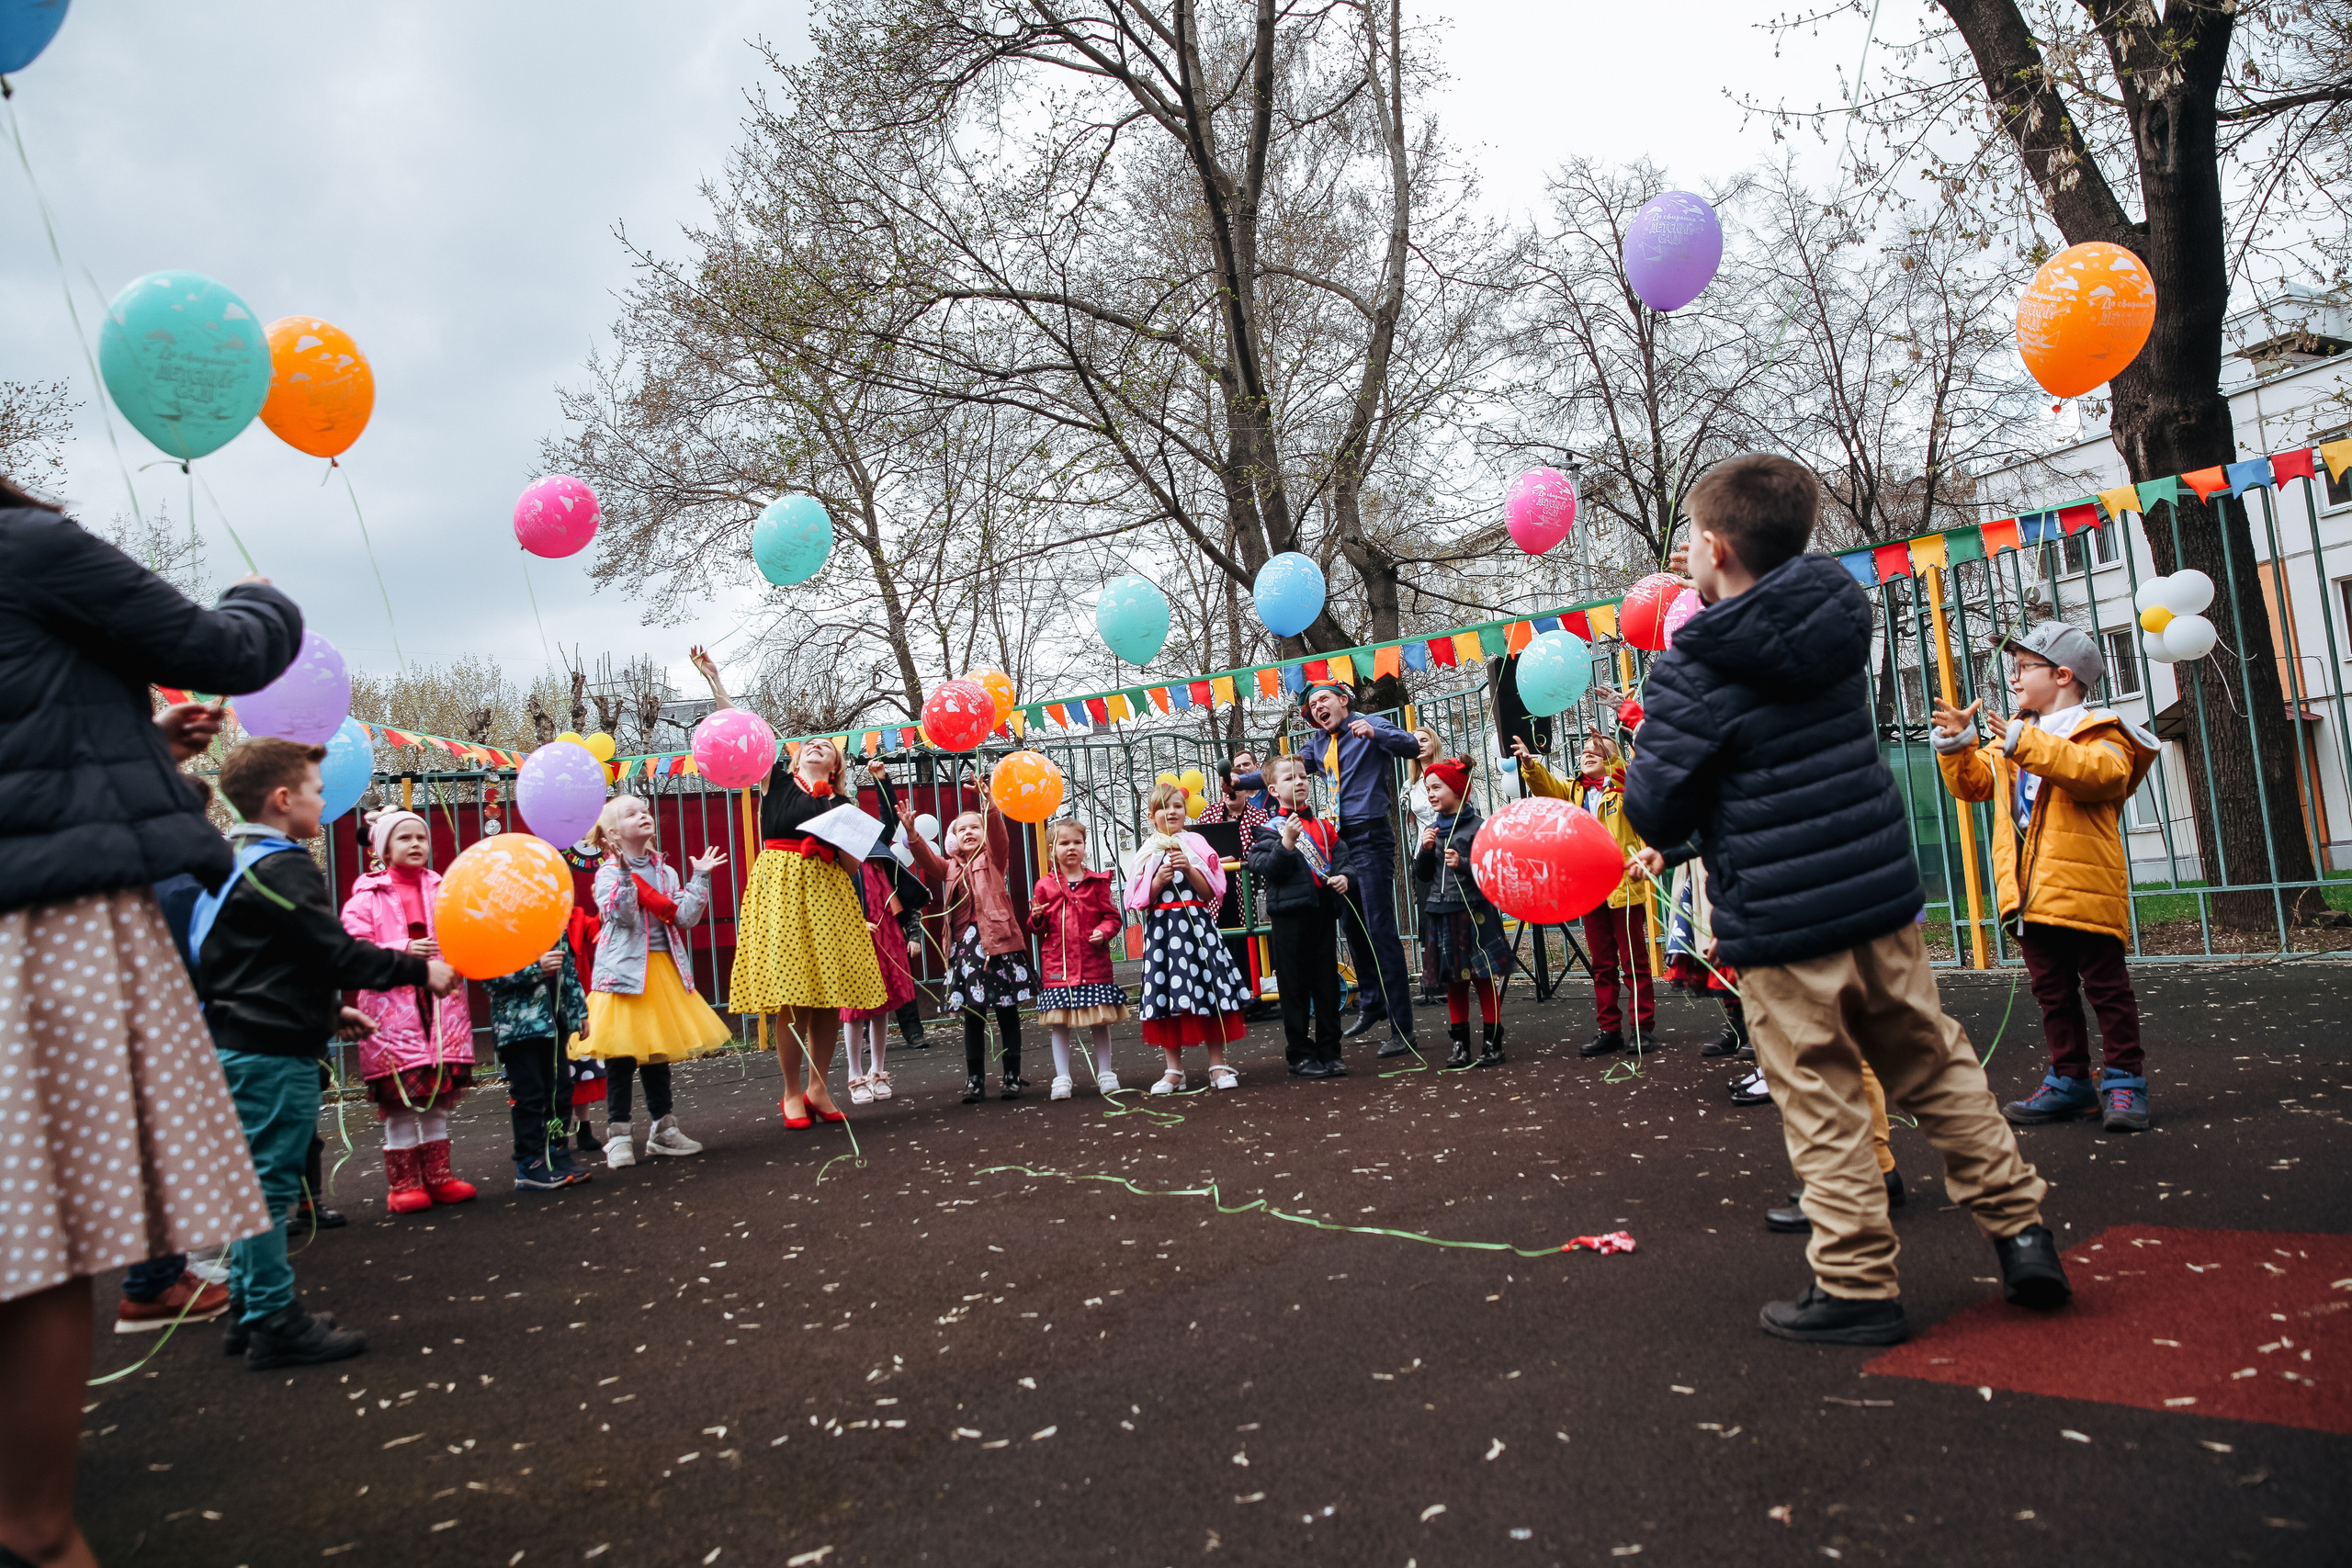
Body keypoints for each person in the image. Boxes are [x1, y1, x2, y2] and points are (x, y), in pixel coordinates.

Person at [1624, 452, 2068, 1346]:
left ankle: (1859, 1284)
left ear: (1714, 548)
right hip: (1873, 890)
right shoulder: (1833, 619)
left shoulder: (1691, 669)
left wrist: (1675, 696)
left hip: (1783, 916)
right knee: (1935, 1066)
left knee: (1820, 1093)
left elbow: (1654, 805)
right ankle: (2021, 1234)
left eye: (1687, 540)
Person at [0, 477, 302, 1567]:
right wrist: (260, 600)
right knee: (37, 1238)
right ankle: (33, 1526)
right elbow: (223, 647)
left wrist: (140, 737)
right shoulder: (26, 545)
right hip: (41, 920)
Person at [199, 738, 460, 1370]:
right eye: (317, 791)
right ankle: (271, 1318)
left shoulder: (231, 862)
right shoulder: (282, 865)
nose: (324, 800)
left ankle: (245, 1307)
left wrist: (325, 1010)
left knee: (255, 1180)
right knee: (267, 1184)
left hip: (246, 1036)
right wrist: (415, 971)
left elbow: (259, 957)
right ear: (283, 798)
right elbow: (331, 951)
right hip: (268, 1048)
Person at [1931, 623, 2158, 1134]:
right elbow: (1976, 785)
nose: (2012, 680)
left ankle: (2124, 1081)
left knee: (2106, 987)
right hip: (2029, 892)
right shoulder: (2016, 733)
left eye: (2022, 668)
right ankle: (2069, 1081)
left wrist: (2021, 742)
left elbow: (2097, 775)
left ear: (2062, 675)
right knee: (2051, 991)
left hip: (2084, 887)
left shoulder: (2103, 731)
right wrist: (1959, 745)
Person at [693, 649, 886, 1127]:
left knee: (826, 996)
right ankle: (791, 1092)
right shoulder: (775, 782)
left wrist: (847, 839)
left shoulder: (843, 801)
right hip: (779, 888)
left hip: (827, 893)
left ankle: (821, 1087)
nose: (818, 744)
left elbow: (849, 863)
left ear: (838, 765)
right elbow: (738, 732)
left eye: (828, 745)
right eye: (810, 742)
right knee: (792, 995)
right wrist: (717, 682)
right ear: (796, 755)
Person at [340, 809, 479, 1212]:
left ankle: (439, 1177)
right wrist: (401, 948)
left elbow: (464, 931)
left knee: (435, 1096)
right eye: (404, 838)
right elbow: (354, 946)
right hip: (392, 1011)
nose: (416, 844)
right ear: (383, 849)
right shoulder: (367, 895)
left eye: (421, 837)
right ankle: (403, 1184)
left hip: (439, 1006)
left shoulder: (444, 888)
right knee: (401, 1099)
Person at [579, 794, 728, 1165]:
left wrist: (700, 877)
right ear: (613, 834)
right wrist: (627, 875)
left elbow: (684, 918)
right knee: (621, 1057)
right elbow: (622, 915)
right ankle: (618, 1134)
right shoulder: (608, 872)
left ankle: (664, 1129)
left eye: (645, 811)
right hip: (624, 973)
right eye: (632, 814)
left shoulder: (667, 870)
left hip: (662, 971)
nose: (643, 816)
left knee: (657, 1053)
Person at [1299, 682, 1423, 1056]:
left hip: (1370, 837)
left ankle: (1403, 1029)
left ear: (1343, 701)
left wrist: (1375, 732)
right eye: (1312, 705)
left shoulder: (1370, 724)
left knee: (1380, 928)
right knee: (1351, 923)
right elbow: (1282, 772)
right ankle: (1373, 1003)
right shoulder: (1318, 745)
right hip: (1339, 842)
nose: (1318, 707)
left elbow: (1412, 746)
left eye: (1324, 699)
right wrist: (1242, 781)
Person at [1514, 733, 1655, 1057]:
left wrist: (1616, 753)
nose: (1588, 754)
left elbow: (1633, 778)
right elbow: (1547, 788)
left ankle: (1643, 1028)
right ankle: (1609, 1029)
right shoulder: (1574, 789)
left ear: (1610, 758)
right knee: (1602, 963)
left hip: (1623, 886)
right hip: (1590, 887)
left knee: (1633, 961)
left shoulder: (1623, 786)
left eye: (1597, 751)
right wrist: (1529, 764)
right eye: (1584, 751)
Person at [902, 784, 1036, 1103]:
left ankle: (1012, 1075)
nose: (969, 832)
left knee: (1007, 1012)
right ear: (953, 839)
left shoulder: (994, 859)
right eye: (962, 829)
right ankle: (974, 1080)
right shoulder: (949, 867)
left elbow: (1000, 838)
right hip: (965, 950)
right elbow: (925, 859)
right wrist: (911, 833)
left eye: (975, 827)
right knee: (973, 1016)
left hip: (999, 946)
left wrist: (989, 804)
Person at [1126, 781, 1255, 1094]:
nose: (1172, 812)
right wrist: (1157, 880)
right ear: (1151, 815)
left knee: (1208, 990)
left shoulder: (1196, 842)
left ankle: (1217, 1063)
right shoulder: (1147, 851)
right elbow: (1137, 899)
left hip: (1196, 927)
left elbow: (1211, 889)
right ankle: (1174, 1070)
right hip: (1163, 931)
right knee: (1167, 994)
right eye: (1164, 808)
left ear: (1185, 812)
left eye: (1177, 807)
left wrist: (1191, 868)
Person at [1247, 755, 1353, 1078]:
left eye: (1304, 776)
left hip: (1321, 910)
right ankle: (1299, 1054)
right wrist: (1287, 843)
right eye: (1291, 778)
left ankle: (1330, 1051)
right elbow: (1266, 870)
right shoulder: (1266, 830)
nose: (1301, 782)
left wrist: (1345, 876)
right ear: (1273, 789)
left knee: (1326, 984)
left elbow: (1343, 858)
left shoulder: (1322, 825)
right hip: (1289, 916)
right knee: (1293, 986)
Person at [1414, 755, 1514, 1068]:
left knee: (1483, 978)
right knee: (1453, 981)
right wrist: (1426, 851)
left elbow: (1493, 872)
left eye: (1436, 787)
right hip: (1441, 912)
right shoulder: (1431, 829)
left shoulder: (1478, 827)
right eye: (1427, 788)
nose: (1430, 794)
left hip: (1473, 913)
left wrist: (1466, 864)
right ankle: (1460, 1046)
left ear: (1458, 790)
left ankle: (1492, 1043)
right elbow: (1424, 875)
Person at [1027, 818, 1129, 1099]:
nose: (1071, 848)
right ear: (1052, 849)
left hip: (1093, 964)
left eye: (1077, 842)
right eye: (1064, 843)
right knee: (1060, 1023)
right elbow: (1039, 928)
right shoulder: (1044, 886)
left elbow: (1112, 917)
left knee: (1099, 1020)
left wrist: (1103, 931)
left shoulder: (1097, 883)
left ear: (1085, 847)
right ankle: (1062, 1077)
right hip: (1058, 968)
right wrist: (1036, 918)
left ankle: (1106, 1072)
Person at [484, 939, 594, 1190]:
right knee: (530, 1094)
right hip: (518, 1028)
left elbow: (567, 967)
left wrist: (579, 1010)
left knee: (560, 1090)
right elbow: (489, 977)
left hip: (554, 1024)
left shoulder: (551, 920)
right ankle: (529, 1162)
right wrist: (536, 967)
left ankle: (556, 1151)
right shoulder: (497, 926)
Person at [842, 759, 921, 1104]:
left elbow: (888, 822)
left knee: (884, 1003)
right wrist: (854, 923)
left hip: (885, 929)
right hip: (855, 932)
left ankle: (878, 1070)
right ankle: (854, 1074)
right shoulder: (837, 857)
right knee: (857, 1006)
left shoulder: (875, 849)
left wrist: (882, 781)